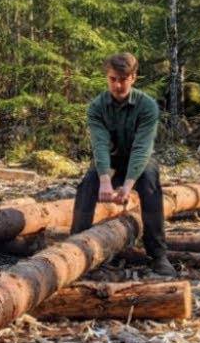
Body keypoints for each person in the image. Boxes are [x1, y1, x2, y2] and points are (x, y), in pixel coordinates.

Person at [71, 52, 176, 277]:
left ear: (133, 77)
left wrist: (128, 186)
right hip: (109, 160)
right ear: (107, 78)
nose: (118, 85)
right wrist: (105, 181)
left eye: (123, 79)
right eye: (113, 79)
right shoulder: (97, 107)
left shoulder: (147, 106)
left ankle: (158, 254)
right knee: (88, 185)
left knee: (150, 182)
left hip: (139, 159)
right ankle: (75, 250)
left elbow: (142, 148)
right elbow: (99, 146)